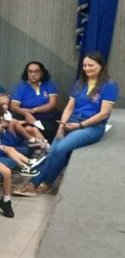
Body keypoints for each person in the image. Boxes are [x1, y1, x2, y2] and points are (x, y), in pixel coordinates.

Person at [15, 52, 117, 196]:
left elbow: (104, 113)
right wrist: (62, 125)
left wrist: (80, 125)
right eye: (85, 65)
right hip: (71, 122)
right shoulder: (80, 83)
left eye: (91, 65)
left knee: (60, 148)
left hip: (92, 126)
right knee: (52, 151)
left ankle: (47, 182)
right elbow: (69, 107)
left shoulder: (109, 85)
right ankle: (32, 184)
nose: (87, 68)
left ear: (100, 66)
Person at [10, 61, 60, 141]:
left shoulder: (49, 84)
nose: (33, 74)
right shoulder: (21, 87)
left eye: (36, 71)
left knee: (51, 130)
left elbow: (52, 104)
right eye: (30, 71)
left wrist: (33, 110)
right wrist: (26, 113)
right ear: (27, 74)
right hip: (27, 119)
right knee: (24, 127)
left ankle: (45, 147)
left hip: (48, 118)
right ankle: (42, 147)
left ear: (41, 73)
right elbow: (13, 106)